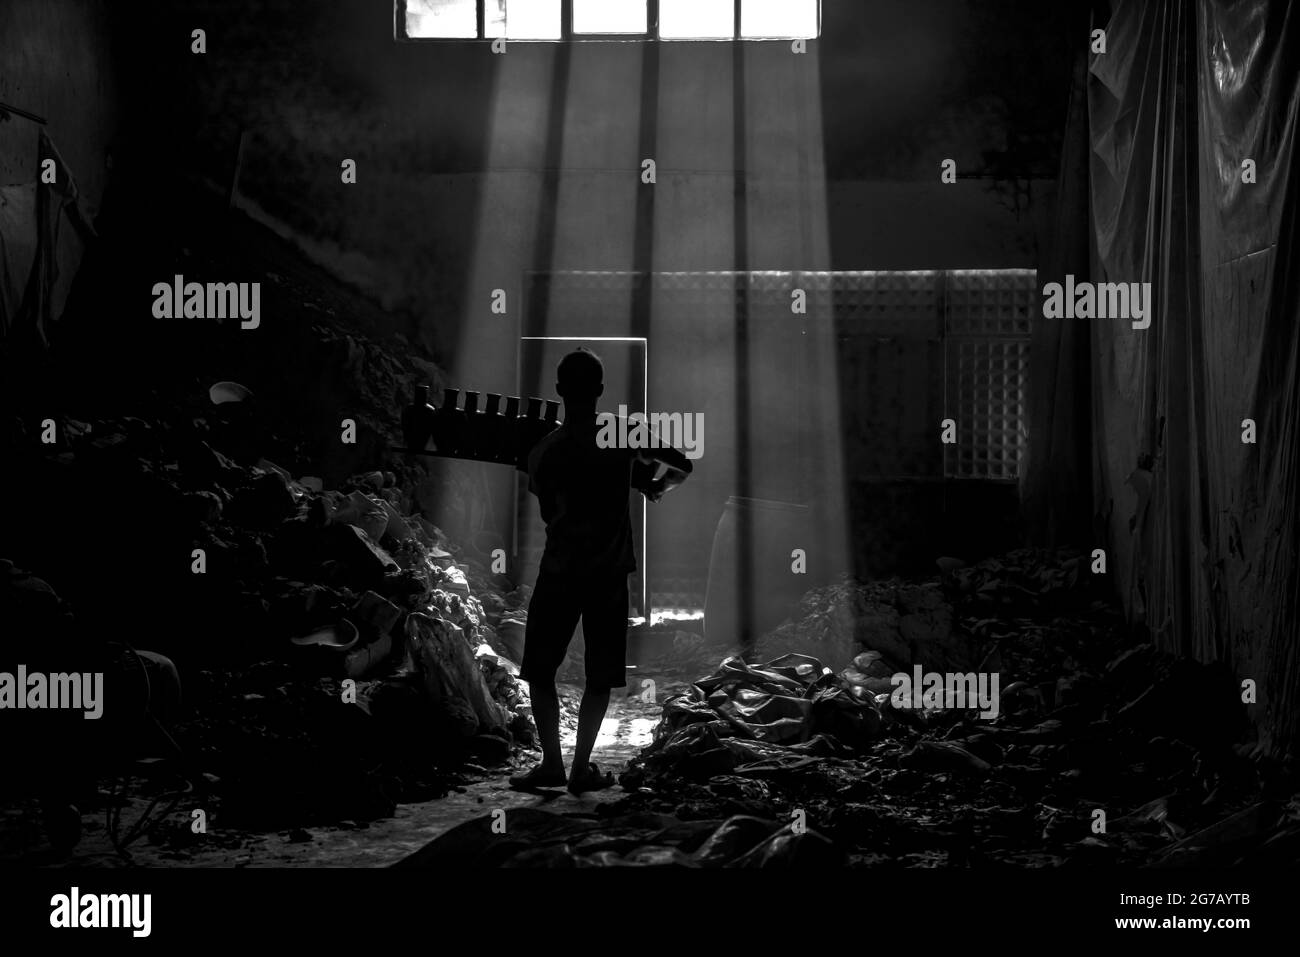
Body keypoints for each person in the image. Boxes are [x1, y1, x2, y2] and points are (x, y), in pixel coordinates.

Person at [510, 348, 692, 793]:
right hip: (608, 576)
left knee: (540, 670)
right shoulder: (621, 433)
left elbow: (548, 499)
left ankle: (551, 764)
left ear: (558, 391)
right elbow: (683, 464)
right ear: (600, 391)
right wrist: (652, 484)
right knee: (600, 676)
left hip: (559, 572)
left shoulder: (544, 450)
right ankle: (580, 771)